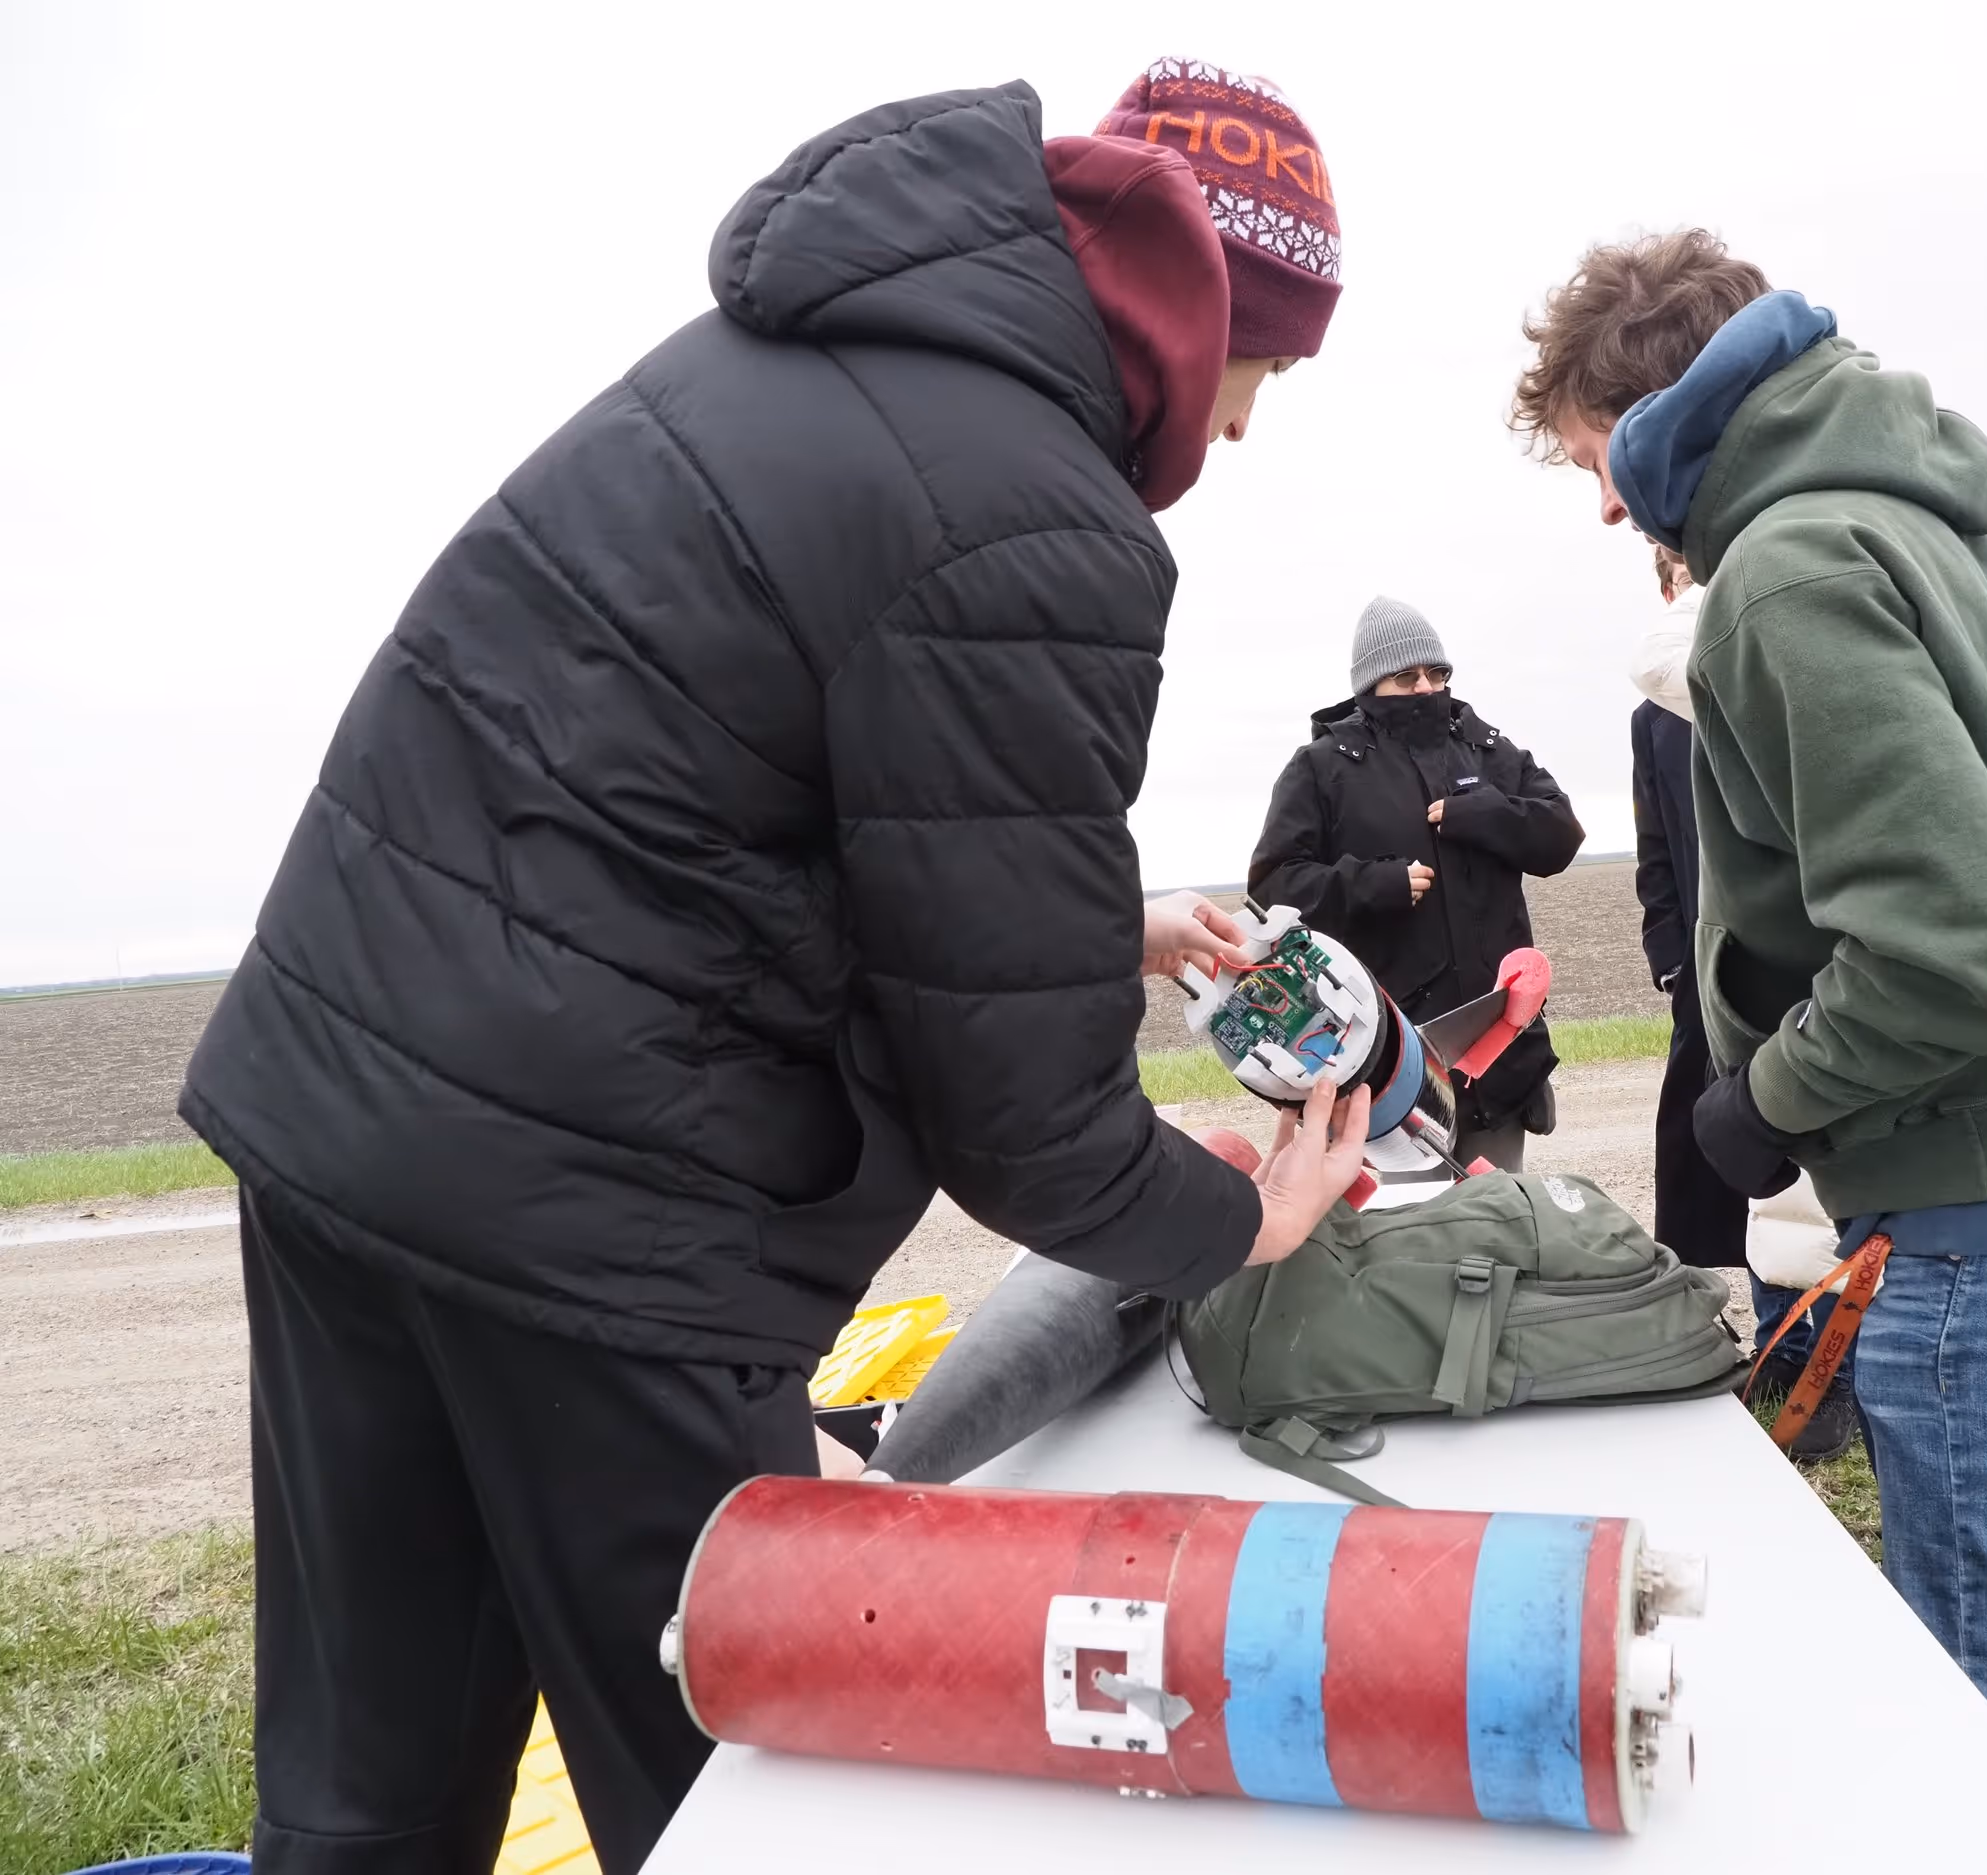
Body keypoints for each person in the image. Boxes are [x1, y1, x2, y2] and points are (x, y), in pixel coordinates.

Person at [181, 64, 1368, 1875]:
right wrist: (1247, 1225)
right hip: (601, 1226)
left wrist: (1096, 931)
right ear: (1205, 311)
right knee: (741, 1796)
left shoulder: (777, 360)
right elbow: (1033, 1133)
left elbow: (699, 795)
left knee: (369, 1793)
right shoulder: (1040, 510)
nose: (1250, 427)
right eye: (1267, 372)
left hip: (345, 1121)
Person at [1515, 229, 1987, 1875]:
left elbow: (1967, 946)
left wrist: (1763, 1102)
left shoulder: (1792, 572)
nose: (1610, 511)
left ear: (1654, 414)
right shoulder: (1911, 517)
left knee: (1978, 1680)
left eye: (1592, 466)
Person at [1630, 546, 1856, 1464]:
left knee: (1808, 1167)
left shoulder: (1777, 667)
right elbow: (1656, 848)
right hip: (1708, 976)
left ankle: (1825, 1364)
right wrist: (1672, 966)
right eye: (1670, 569)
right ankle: (1783, 1349)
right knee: (1744, 1167)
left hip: (1804, 957)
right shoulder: (1653, 712)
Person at [1247, 598, 1585, 1171]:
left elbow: (1561, 835)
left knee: (1495, 1232)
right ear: (1371, 683)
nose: (1427, 688)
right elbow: (1272, 888)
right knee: (1399, 1242)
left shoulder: (1487, 749)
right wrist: (1371, 885)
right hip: (1381, 1061)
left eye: (1438, 674)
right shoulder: (1322, 768)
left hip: (1498, 1054)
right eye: (1407, 677)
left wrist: (1482, 813)